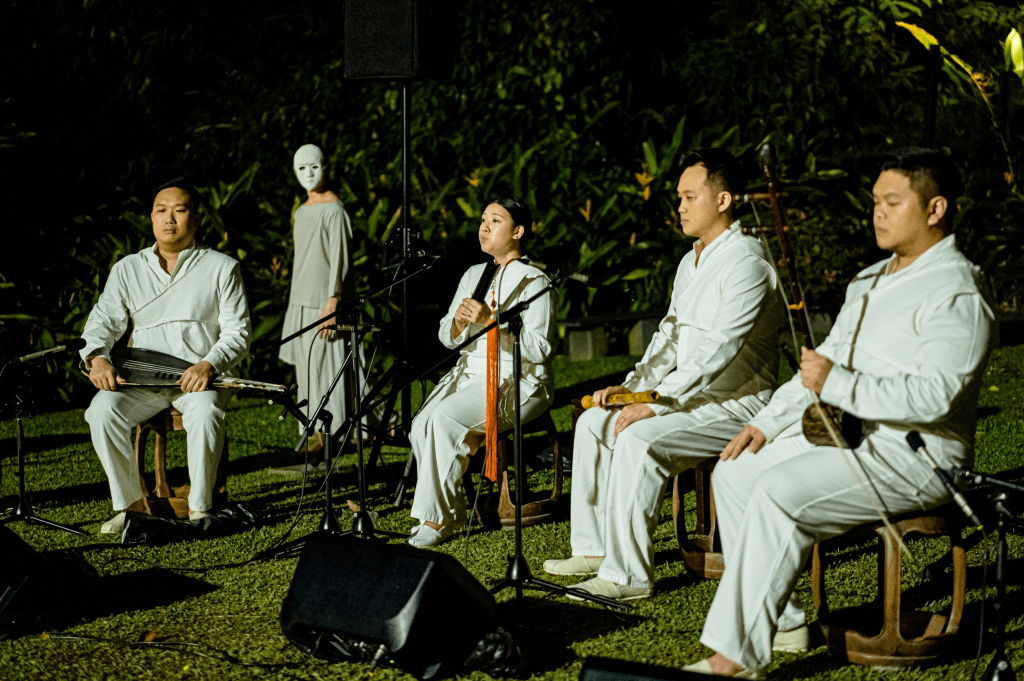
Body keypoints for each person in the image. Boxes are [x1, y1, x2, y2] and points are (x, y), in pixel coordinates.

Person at [685, 148, 995, 678]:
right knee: (736, 471)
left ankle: (733, 658)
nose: (878, 212)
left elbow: (934, 399)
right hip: (847, 434)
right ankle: (778, 618)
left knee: (780, 494)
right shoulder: (870, 279)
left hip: (917, 455)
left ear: (936, 208)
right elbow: (818, 367)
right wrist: (766, 422)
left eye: (893, 202)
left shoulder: (959, 291)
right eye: (875, 201)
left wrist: (839, 383)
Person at [541, 148, 784, 601]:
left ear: (725, 200)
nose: (681, 206)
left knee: (637, 439)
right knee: (595, 421)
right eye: (680, 197)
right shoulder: (690, 261)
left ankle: (628, 576)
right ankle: (595, 550)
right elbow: (669, 337)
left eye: (691, 196)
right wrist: (633, 389)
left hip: (738, 403)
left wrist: (654, 401)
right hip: (687, 398)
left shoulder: (749, 262)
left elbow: (718, 351)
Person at [82, 177, 252, 534]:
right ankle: (128, 508)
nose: (169, 219)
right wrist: (97, 356)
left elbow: (238, 333)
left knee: (206, 412)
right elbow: (103, 321)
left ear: (196, 219)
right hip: (143, 379)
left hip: (198, 380)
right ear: (151, 218)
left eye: (179, 210)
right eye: (161, 211)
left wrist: (209, 364)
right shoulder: (128, 268)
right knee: (101, 411)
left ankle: (201, 510)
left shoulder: (221, 266)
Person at [407, 197, 555, 547]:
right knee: (419, 426)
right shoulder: (474, 274)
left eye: (496, 221)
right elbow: (447, 336)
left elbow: (540, 348)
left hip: (517, 379)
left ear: (518, 232)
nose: (484, 227)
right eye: (483, 220)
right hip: (470, 373)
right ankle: (453, 509)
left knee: (443, 419)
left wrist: (491, 323)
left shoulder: (534, 280)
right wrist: (458, 322)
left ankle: (437, 520)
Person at [277, 144, 355, 454]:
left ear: (325, 167)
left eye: (314, 167)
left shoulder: (334, 210)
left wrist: (332, 300)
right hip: (301, 298)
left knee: (328, 363)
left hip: (323, 300)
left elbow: (340, 258)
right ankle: (311, 430)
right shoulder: (301, 211)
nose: (309, 174)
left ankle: (332, 432)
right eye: (302, 168)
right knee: (307, 368)